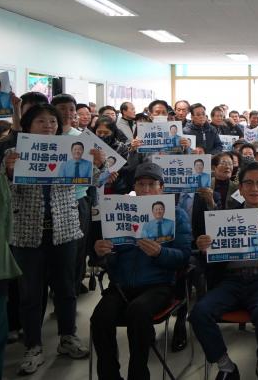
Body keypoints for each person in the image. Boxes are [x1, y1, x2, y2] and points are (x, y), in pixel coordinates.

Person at [3, 104, 101, 375]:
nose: (48, 126)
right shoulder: (14, 154)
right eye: (41, 121)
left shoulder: (70, 151)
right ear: (28, 125)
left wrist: (98, 164)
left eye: (52, 122)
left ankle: (68, 337)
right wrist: (9, 173)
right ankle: (33, 346)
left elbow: (90, 182)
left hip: (65, 229)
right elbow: (6, 192)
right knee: (30, 293)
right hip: (27, 233)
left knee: (66, 288)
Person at [191, 162, 258, 380]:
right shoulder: (224, 218)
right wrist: (203, 248)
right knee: (199, 313)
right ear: (240, 188)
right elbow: (208, 261)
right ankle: (226, 365)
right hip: (229, 281)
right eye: (248, 183)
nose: (254, 188)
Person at [90, 162, 191, 380]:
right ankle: (109, 375)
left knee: (138, 311)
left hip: (158, 285)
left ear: (161, 188)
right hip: (121, 285)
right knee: (100, 317)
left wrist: (160, 253)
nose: (146, 189)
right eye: (141, 184)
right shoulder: (120, 212)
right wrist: (102, 251)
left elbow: (183, 257)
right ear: (134, 186)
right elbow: (110, 258)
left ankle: (138, 373)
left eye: (151, 184)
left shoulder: (177, 215)